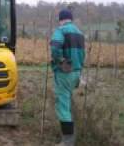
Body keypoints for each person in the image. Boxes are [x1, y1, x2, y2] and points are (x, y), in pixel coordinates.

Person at [50, 9, 85, 146]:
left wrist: (59, 60)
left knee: (63, 106)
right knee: (68, 103)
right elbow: (83, 55)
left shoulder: (61, 31)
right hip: (76, 72)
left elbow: (55, 48)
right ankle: (71, 136)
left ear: (61, 19)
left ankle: (68, 142)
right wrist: (78, 70)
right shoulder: (80, 33)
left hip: (64, 73)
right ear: (71, 19)